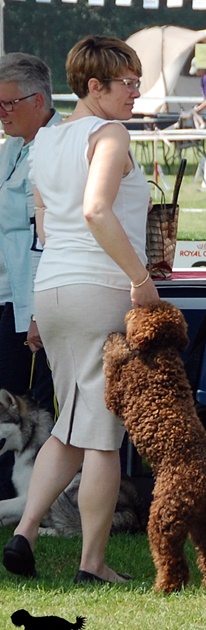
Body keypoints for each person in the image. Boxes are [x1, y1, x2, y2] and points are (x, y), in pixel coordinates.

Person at [1, 35, 158, 585]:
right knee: (102, 436)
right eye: (128, 83)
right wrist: (141, 279)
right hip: (101, 287)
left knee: (70, 425)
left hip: (53, 289)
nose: (135, 93)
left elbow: (46, 228)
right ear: (95, 86)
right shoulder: (109, 133)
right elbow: (96, 210)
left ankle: (25, 533)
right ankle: (92, 562)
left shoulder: (45, 141)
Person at [0, 53, 59, 404]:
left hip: (26, 305)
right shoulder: (11, 147)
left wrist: (38, 312)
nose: (1, 112)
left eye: (8, 103)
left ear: (37, 101)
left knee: (19, 412)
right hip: (8, 298)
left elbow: (45, 240)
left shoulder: (56, 148)